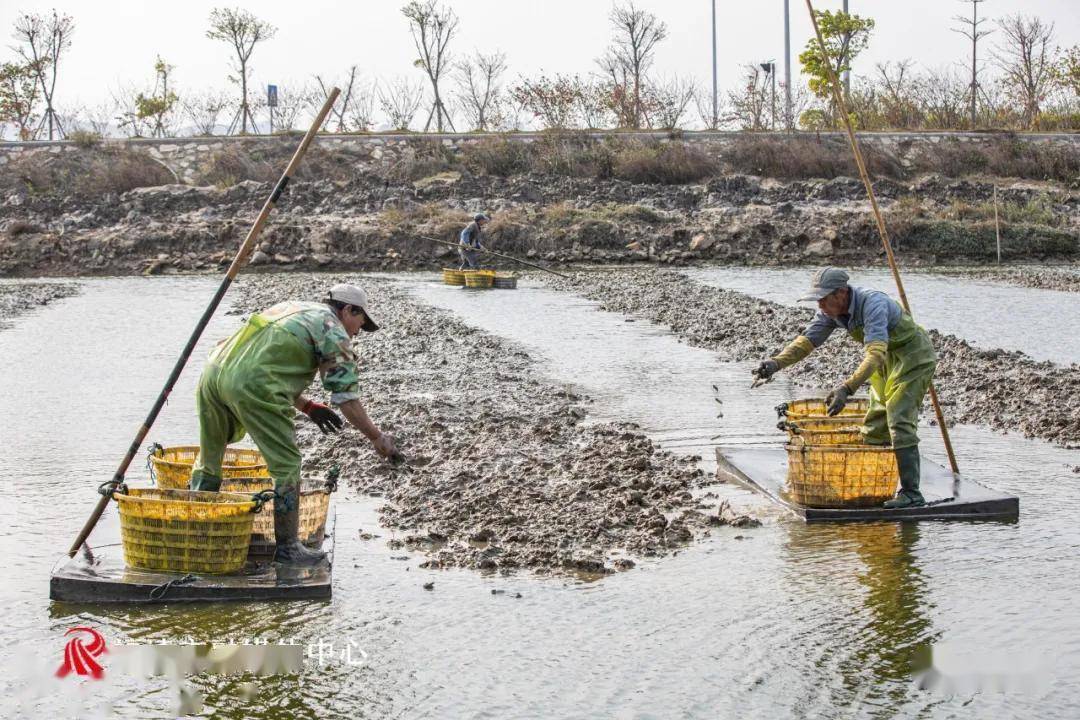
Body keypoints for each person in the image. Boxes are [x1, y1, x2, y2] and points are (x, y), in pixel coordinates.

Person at [190, 283, 399, 565]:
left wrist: (308, 407)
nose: (357, 331)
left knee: (210, 457)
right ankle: (288, 549)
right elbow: (347, 399)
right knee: (287, 464)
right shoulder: (332, 330)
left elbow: (264, 361)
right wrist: (377, 437)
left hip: (213, 373)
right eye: (360, 322)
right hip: (250, 384)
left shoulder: (292, 308)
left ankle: (196, 535)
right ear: (349, 309)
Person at [753, 267, 937, 508]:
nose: (820, 306)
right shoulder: (831, 312)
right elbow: (807, 341)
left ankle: (912, 494)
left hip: (911, 356)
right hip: (886, 359)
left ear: (841, 293)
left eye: (823, 299)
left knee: (899, 416)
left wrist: (846, 389)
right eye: (818, 300)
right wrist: (775, 363)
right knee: (876, 420)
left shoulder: (873, 305)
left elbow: (875, 354)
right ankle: (873, 481)